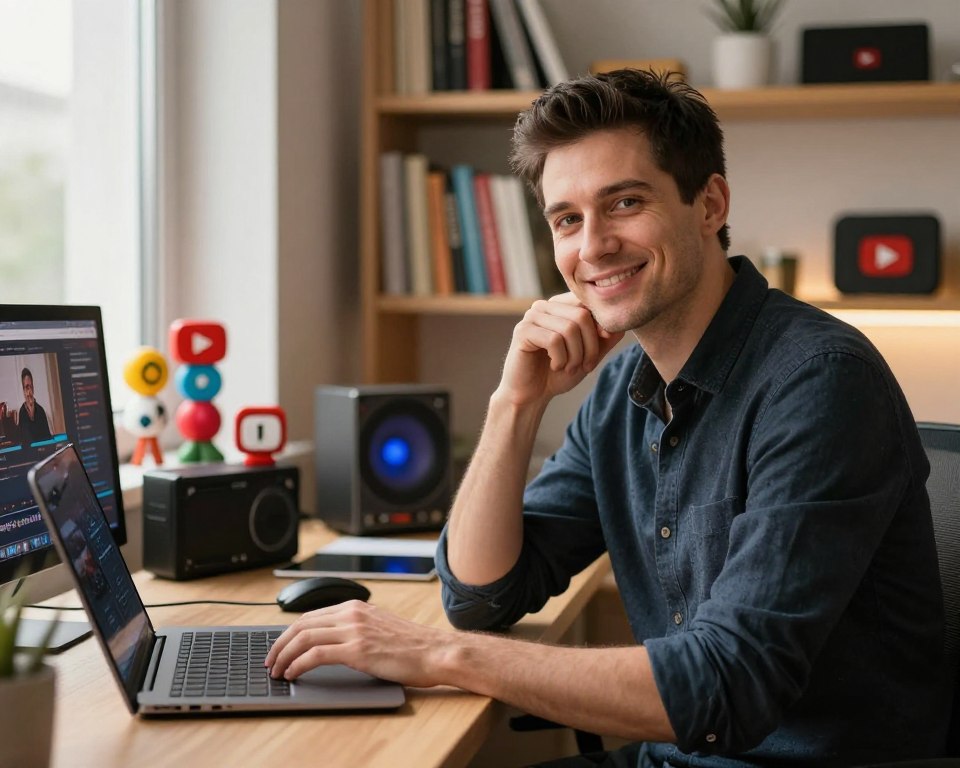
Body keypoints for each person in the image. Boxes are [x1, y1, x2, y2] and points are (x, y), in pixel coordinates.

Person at [266, 69, 948, 766]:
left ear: (709, 204)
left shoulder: (820, 381)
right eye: (567, 219)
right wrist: (515, 404)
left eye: (624, 203)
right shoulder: (624, 384)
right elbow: (480, 596)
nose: (592, 247)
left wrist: (439, 655)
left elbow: (730, 684)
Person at [19, 367, 53, 445]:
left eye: (30, 387)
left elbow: (48, 438)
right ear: (23, 391)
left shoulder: (41, 410)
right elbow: (24, 441)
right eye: (26, 387)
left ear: (33, 388)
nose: (29, 391)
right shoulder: (22, 412)